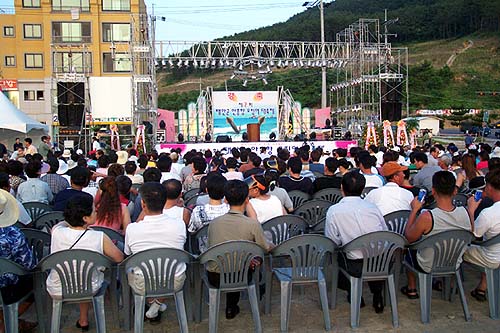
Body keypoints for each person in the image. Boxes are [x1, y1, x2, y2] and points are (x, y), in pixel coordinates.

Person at [47, 194, 123, 331]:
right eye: (94, 210)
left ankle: (83, 319)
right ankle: (84, 319)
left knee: (80, 274)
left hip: (58, 287)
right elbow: (119, 258)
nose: (96, 212)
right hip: (90, 287)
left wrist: (71, 220)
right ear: (85, 218)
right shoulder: (99, 237)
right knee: (85, 275)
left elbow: (61, 223)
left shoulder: (57, 232)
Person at [324, 170, 387, 313]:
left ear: (342, 188)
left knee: (337, 256)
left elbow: (332, 241)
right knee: (373, 256)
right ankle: (377, 295)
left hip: (354, 264)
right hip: (380, 262)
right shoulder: (373, 207)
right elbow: (384, 232)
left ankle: (354, 293)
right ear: (362, 188)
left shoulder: (334, 211)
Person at [207, 180, 271, 319]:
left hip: (215, 276)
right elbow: (264, 249)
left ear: (225, 199)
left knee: (230, 260)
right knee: (242, 262)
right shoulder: (253, 224)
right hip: (242, 274)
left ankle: (231, 307)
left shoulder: (214, 224)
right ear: (247, 200)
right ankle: (233, 306)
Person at [402, 171, 471, 299]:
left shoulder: (427, 217)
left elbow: (409, 238)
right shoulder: (466, 212)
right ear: (455, 191)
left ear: (433, 191)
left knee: (408, 252)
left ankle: (411, 288)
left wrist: (414, 210)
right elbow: (470, 233)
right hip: (454, 261)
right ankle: (447, 285)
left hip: (428, 264)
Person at [124, 182, 187, 323]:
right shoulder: (179, 224)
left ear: (143, 204)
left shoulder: (132, 229)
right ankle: (156, 303)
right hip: (174, 281)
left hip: (142, 282)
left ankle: (153, 303)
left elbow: (128, 253)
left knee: (131, 268)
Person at [0, 189, 38, 331]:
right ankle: (7, 321)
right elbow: (28, 264)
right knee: (35, 282)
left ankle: (5, 321)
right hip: (8, 287)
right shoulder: (13, 233)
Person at [463, 169, 500, 301]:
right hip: (494, 253)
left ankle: (448, 286)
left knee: (454, 248)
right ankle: (482, 287)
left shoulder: (489, 213)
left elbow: (471, 235)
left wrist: (471, 210)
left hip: (491, 258)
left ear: (489, 187)